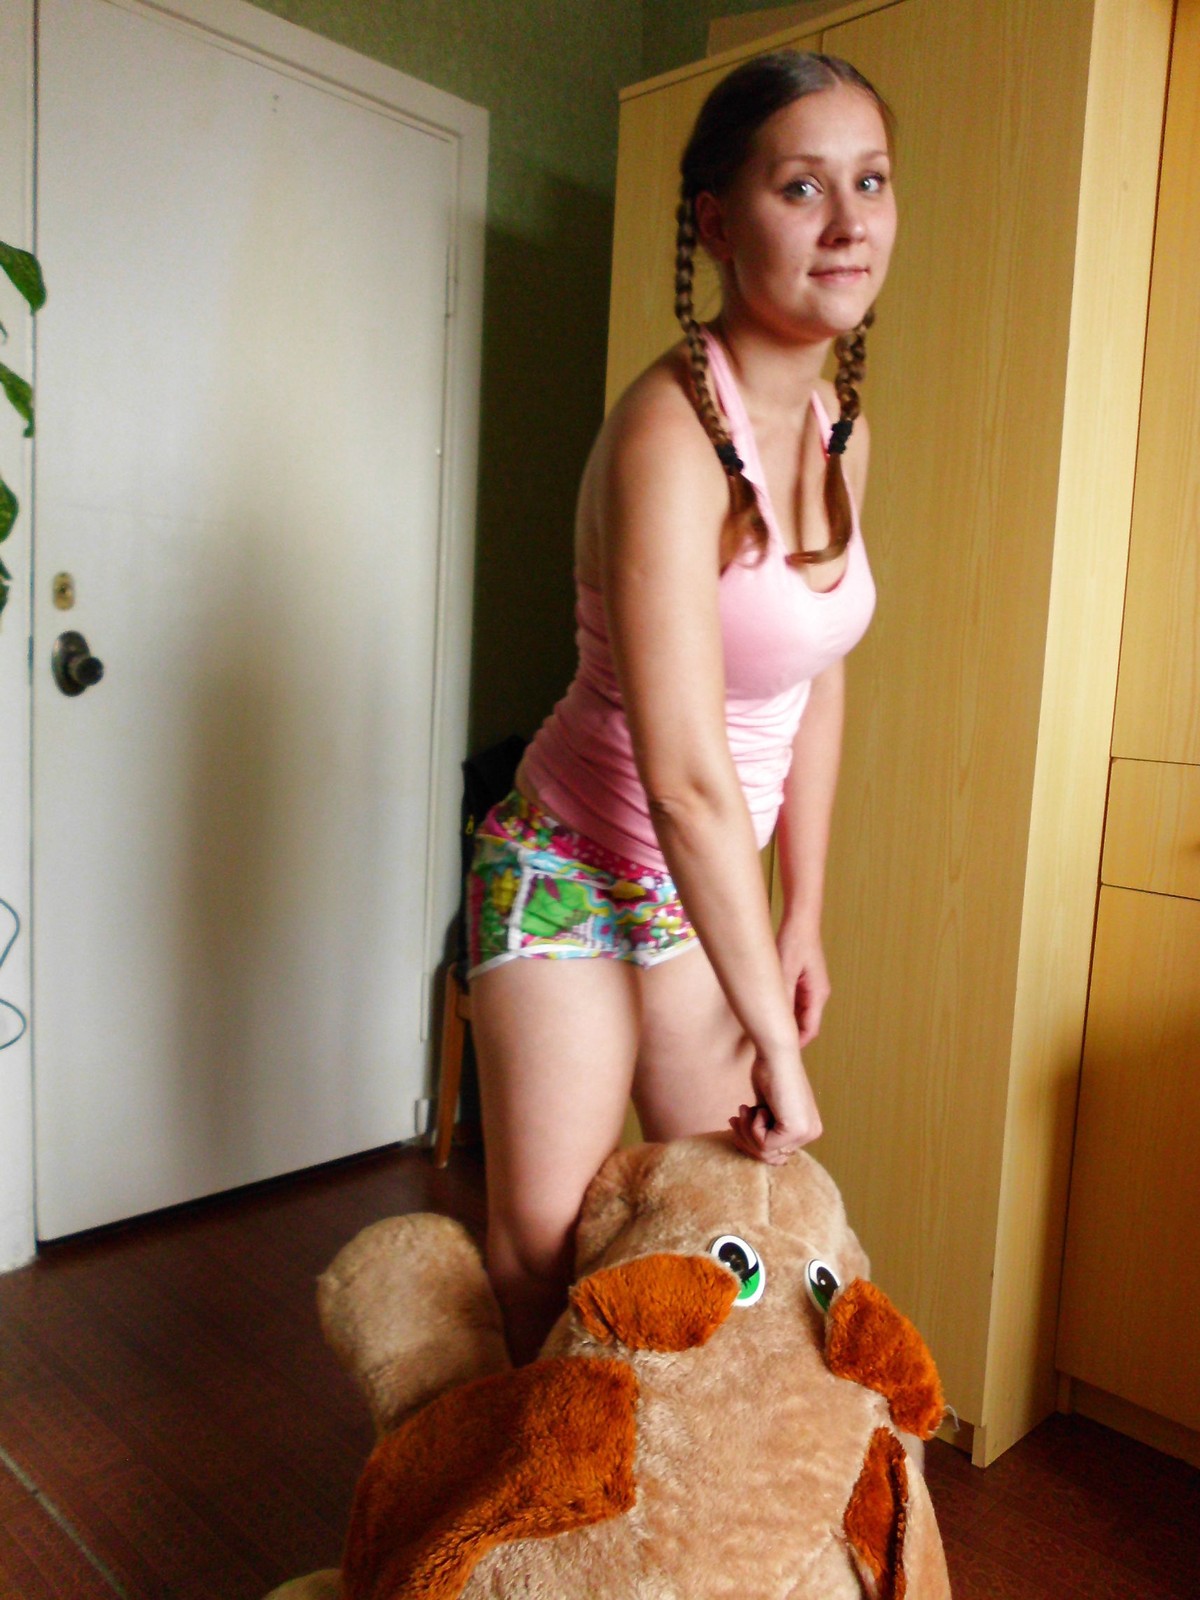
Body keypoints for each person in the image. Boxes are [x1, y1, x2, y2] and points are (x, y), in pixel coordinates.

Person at [466, 50, 897, 1363]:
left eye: (871, 182)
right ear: (716, 220)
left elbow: (818, 670)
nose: (848, 222)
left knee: (722, 1236)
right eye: (801, 187)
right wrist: (776, 1037)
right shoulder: (667, 435)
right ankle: (510, 1482)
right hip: (570, 870)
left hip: (699, 894)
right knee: (550, 1255)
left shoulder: (837, 430)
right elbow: (687, 778)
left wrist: (802, 911)